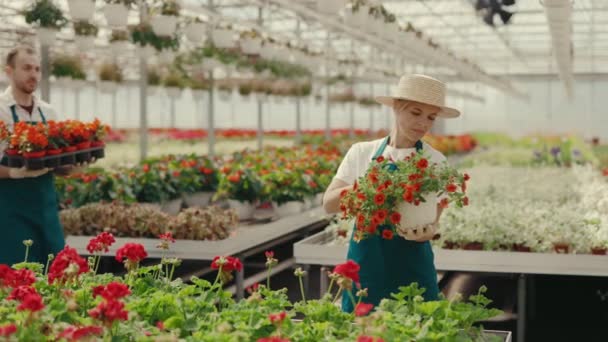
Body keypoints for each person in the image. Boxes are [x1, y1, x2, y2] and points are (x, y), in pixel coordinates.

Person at [322, 74, 461, 312]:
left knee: (418, 328)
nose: (423, 124)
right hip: (366, 264)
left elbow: (432, 222)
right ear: (397, 107)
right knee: (362, 329)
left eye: (431, 117)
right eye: (416, 113)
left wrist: (425, 232)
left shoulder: (435, 160)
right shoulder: (361, 153)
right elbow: (329, 204)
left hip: (412, 263)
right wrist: (370, 184)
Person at [0, 45, 72, 265]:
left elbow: (56, 159)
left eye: (37, 69)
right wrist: (14, 172)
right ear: (9, 71)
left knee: (56, 275)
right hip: (11, 212)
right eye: (27, 68)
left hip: (46, 209)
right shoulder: (1, 110)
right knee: (17, 279)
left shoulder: (48, 112)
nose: (33, 74)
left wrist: (71, 165)